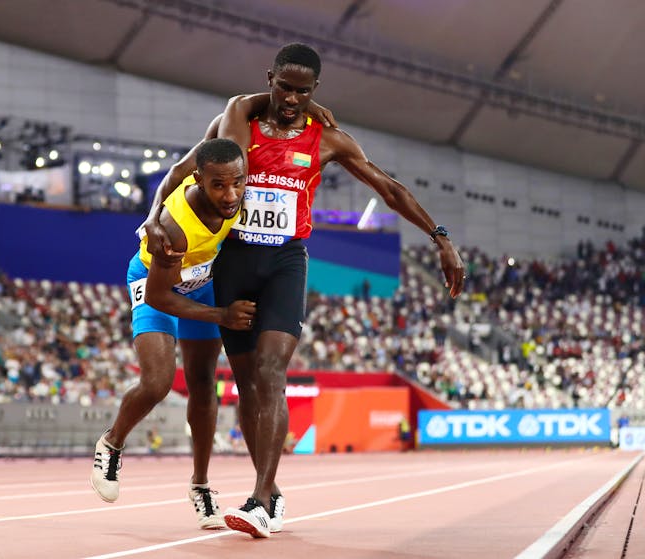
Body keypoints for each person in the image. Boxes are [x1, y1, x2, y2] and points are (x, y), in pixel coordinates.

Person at [144, 43, 465, 538]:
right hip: (235, 260)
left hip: (285, 262)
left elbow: (389, 188)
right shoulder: (240, 123)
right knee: (247, 384)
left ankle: (258, 499)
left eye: (303, 91)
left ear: (315, 90)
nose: (292, 99)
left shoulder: (329, 140)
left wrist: (439, 237)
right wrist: (153, 218)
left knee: (271, 372)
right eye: (284, 88)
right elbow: (187, 165)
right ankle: (271, 494)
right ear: (269, 80)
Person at [89, 138, 255, 530]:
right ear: (200, 180)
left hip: (202, 280)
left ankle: (201, 485)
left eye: (237, 183)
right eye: (218, 186)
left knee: (204, 383)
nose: (230, 195)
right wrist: (221, 315)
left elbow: (180, 166)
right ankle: (111, 443)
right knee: (158, 382)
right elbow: (160, 297)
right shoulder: (174, 228)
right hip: (155, 282)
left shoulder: (226, 174)